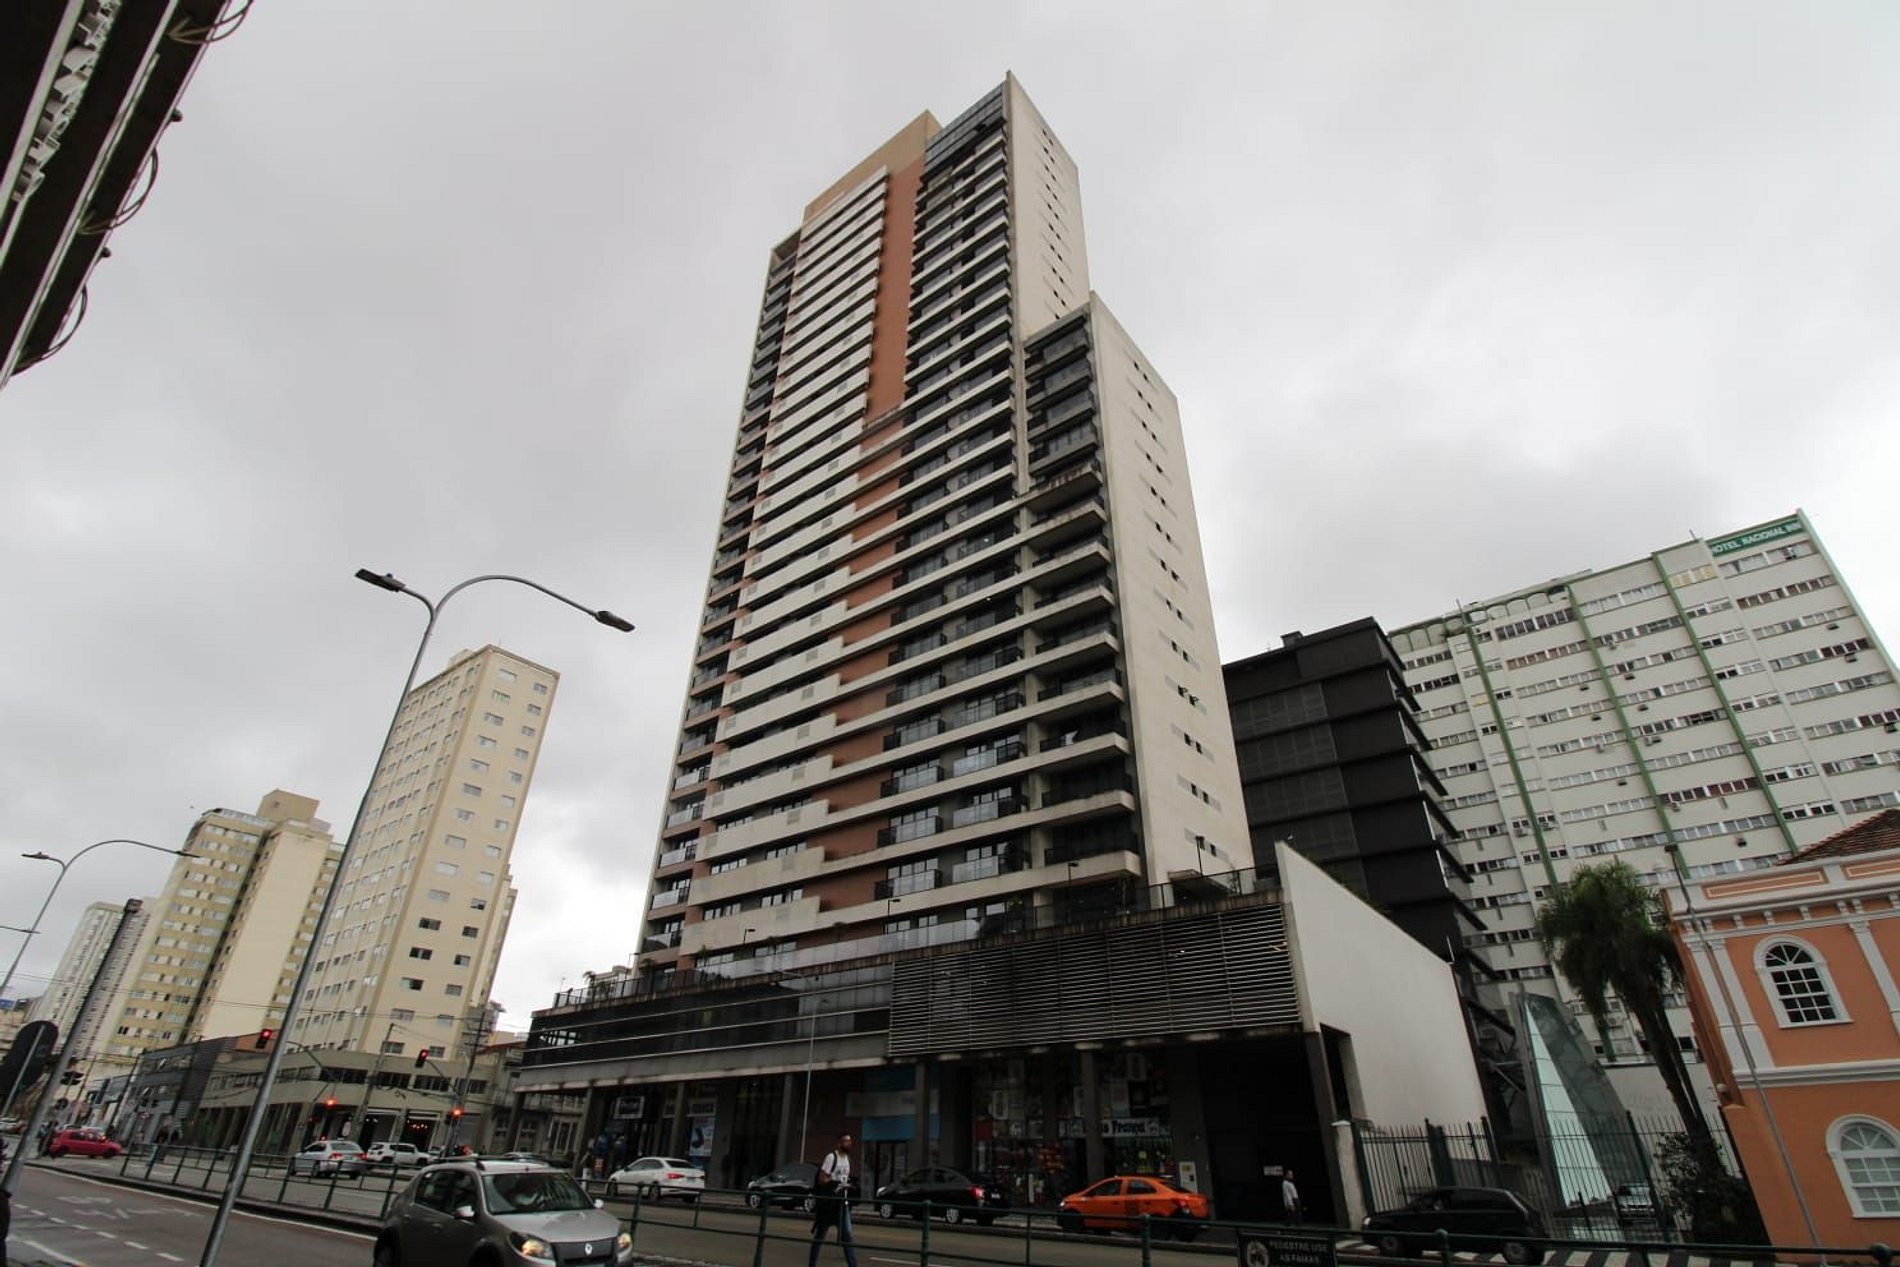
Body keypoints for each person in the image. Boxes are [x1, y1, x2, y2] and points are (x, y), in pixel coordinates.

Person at [808, 1133, 858, 1267]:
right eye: (846, 1141)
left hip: (842, 1203)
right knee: (820, 1236)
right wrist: (834, 1180)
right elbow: (822, 1179)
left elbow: (847, 1179)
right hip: (829, 1203)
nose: (849, 1144)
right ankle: (812, 1264)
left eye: (850, 1141)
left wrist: (848, 1185)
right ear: (839, 1143)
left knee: (847, 1236)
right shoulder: (831, 1158)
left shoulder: (848, 1159)